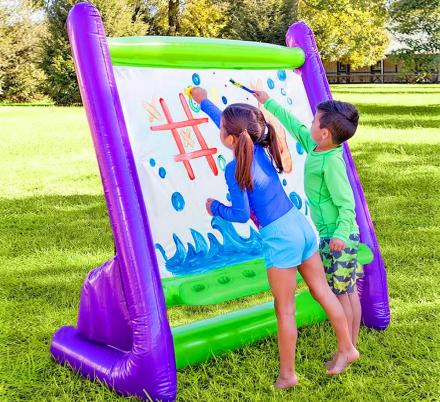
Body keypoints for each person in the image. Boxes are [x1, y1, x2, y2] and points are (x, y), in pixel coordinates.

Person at [190, 87, 359, 389]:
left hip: (280, 239)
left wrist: (214, 208)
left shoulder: (235, 167)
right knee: (322, 290)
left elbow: (240, 215)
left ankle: (287, 376)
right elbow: (230, 124)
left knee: (285, 310)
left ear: (230, 138)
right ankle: (347, 347)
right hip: (300, 225)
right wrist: (205, 102)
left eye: (224, 129)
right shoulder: (255, 146)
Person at [253, 90, 362, 362]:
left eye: (315, 121)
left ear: (324, 133)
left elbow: (347, 204)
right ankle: (349, 344)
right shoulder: (317, 146)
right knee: (345, 289)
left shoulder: (332, 163)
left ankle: (345, 349)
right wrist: (268, 102)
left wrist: (339, 234)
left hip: (338, 235)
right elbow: (293, 125)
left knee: (342, 292)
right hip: (331, 234)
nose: (310, 124)